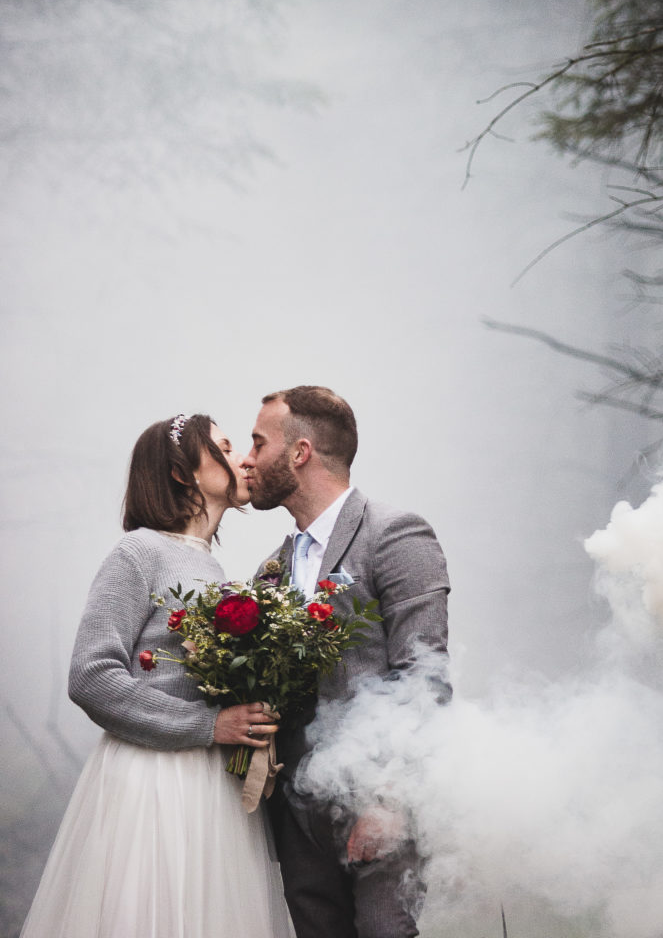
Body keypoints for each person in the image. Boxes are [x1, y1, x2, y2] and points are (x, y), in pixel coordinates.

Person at [20, 413, 293, 938]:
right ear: (181, 472)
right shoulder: (138, 551)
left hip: (214, 786)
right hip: (152, 782)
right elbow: (91, 676)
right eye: (226, 446)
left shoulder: (215, 567)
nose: (243, 459)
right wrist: (206, 724)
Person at [243, 385, 451, 938]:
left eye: (258, 444)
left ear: (300, 452)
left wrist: (389, 798)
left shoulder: (396, 533)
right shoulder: (272, 567)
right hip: (294, 813)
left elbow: (424, 677)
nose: (247, 458)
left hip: (375, 800)